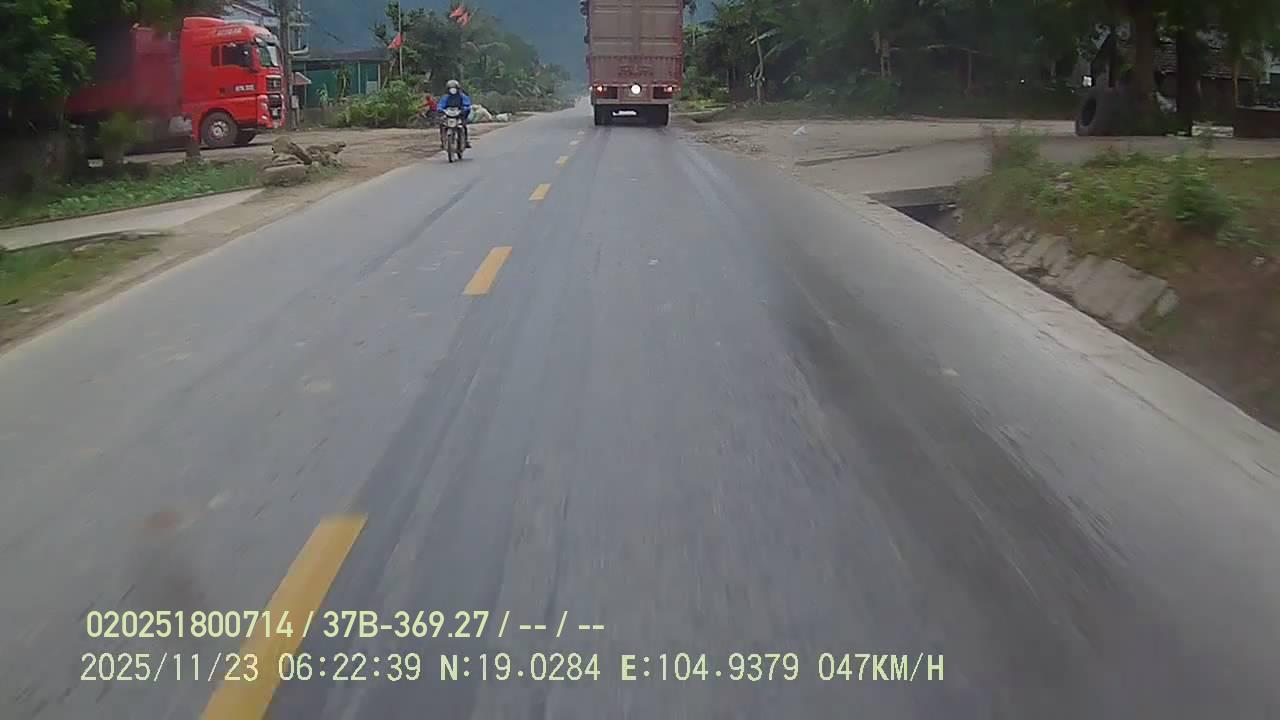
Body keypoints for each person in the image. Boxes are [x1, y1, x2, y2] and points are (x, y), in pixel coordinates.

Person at [436, 79, 472, 148]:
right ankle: (443, 141)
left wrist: (465, 109)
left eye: (454, 88)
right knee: (442, 125)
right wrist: (440, 109)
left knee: (463, 125)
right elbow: (440, 105)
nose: (453, 90)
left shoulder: (462, 96)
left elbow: (467, 104)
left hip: (459, 114)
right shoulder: (445, 97)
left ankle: (465, 140)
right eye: (451, 88)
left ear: (457, 88)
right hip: (448, 114)